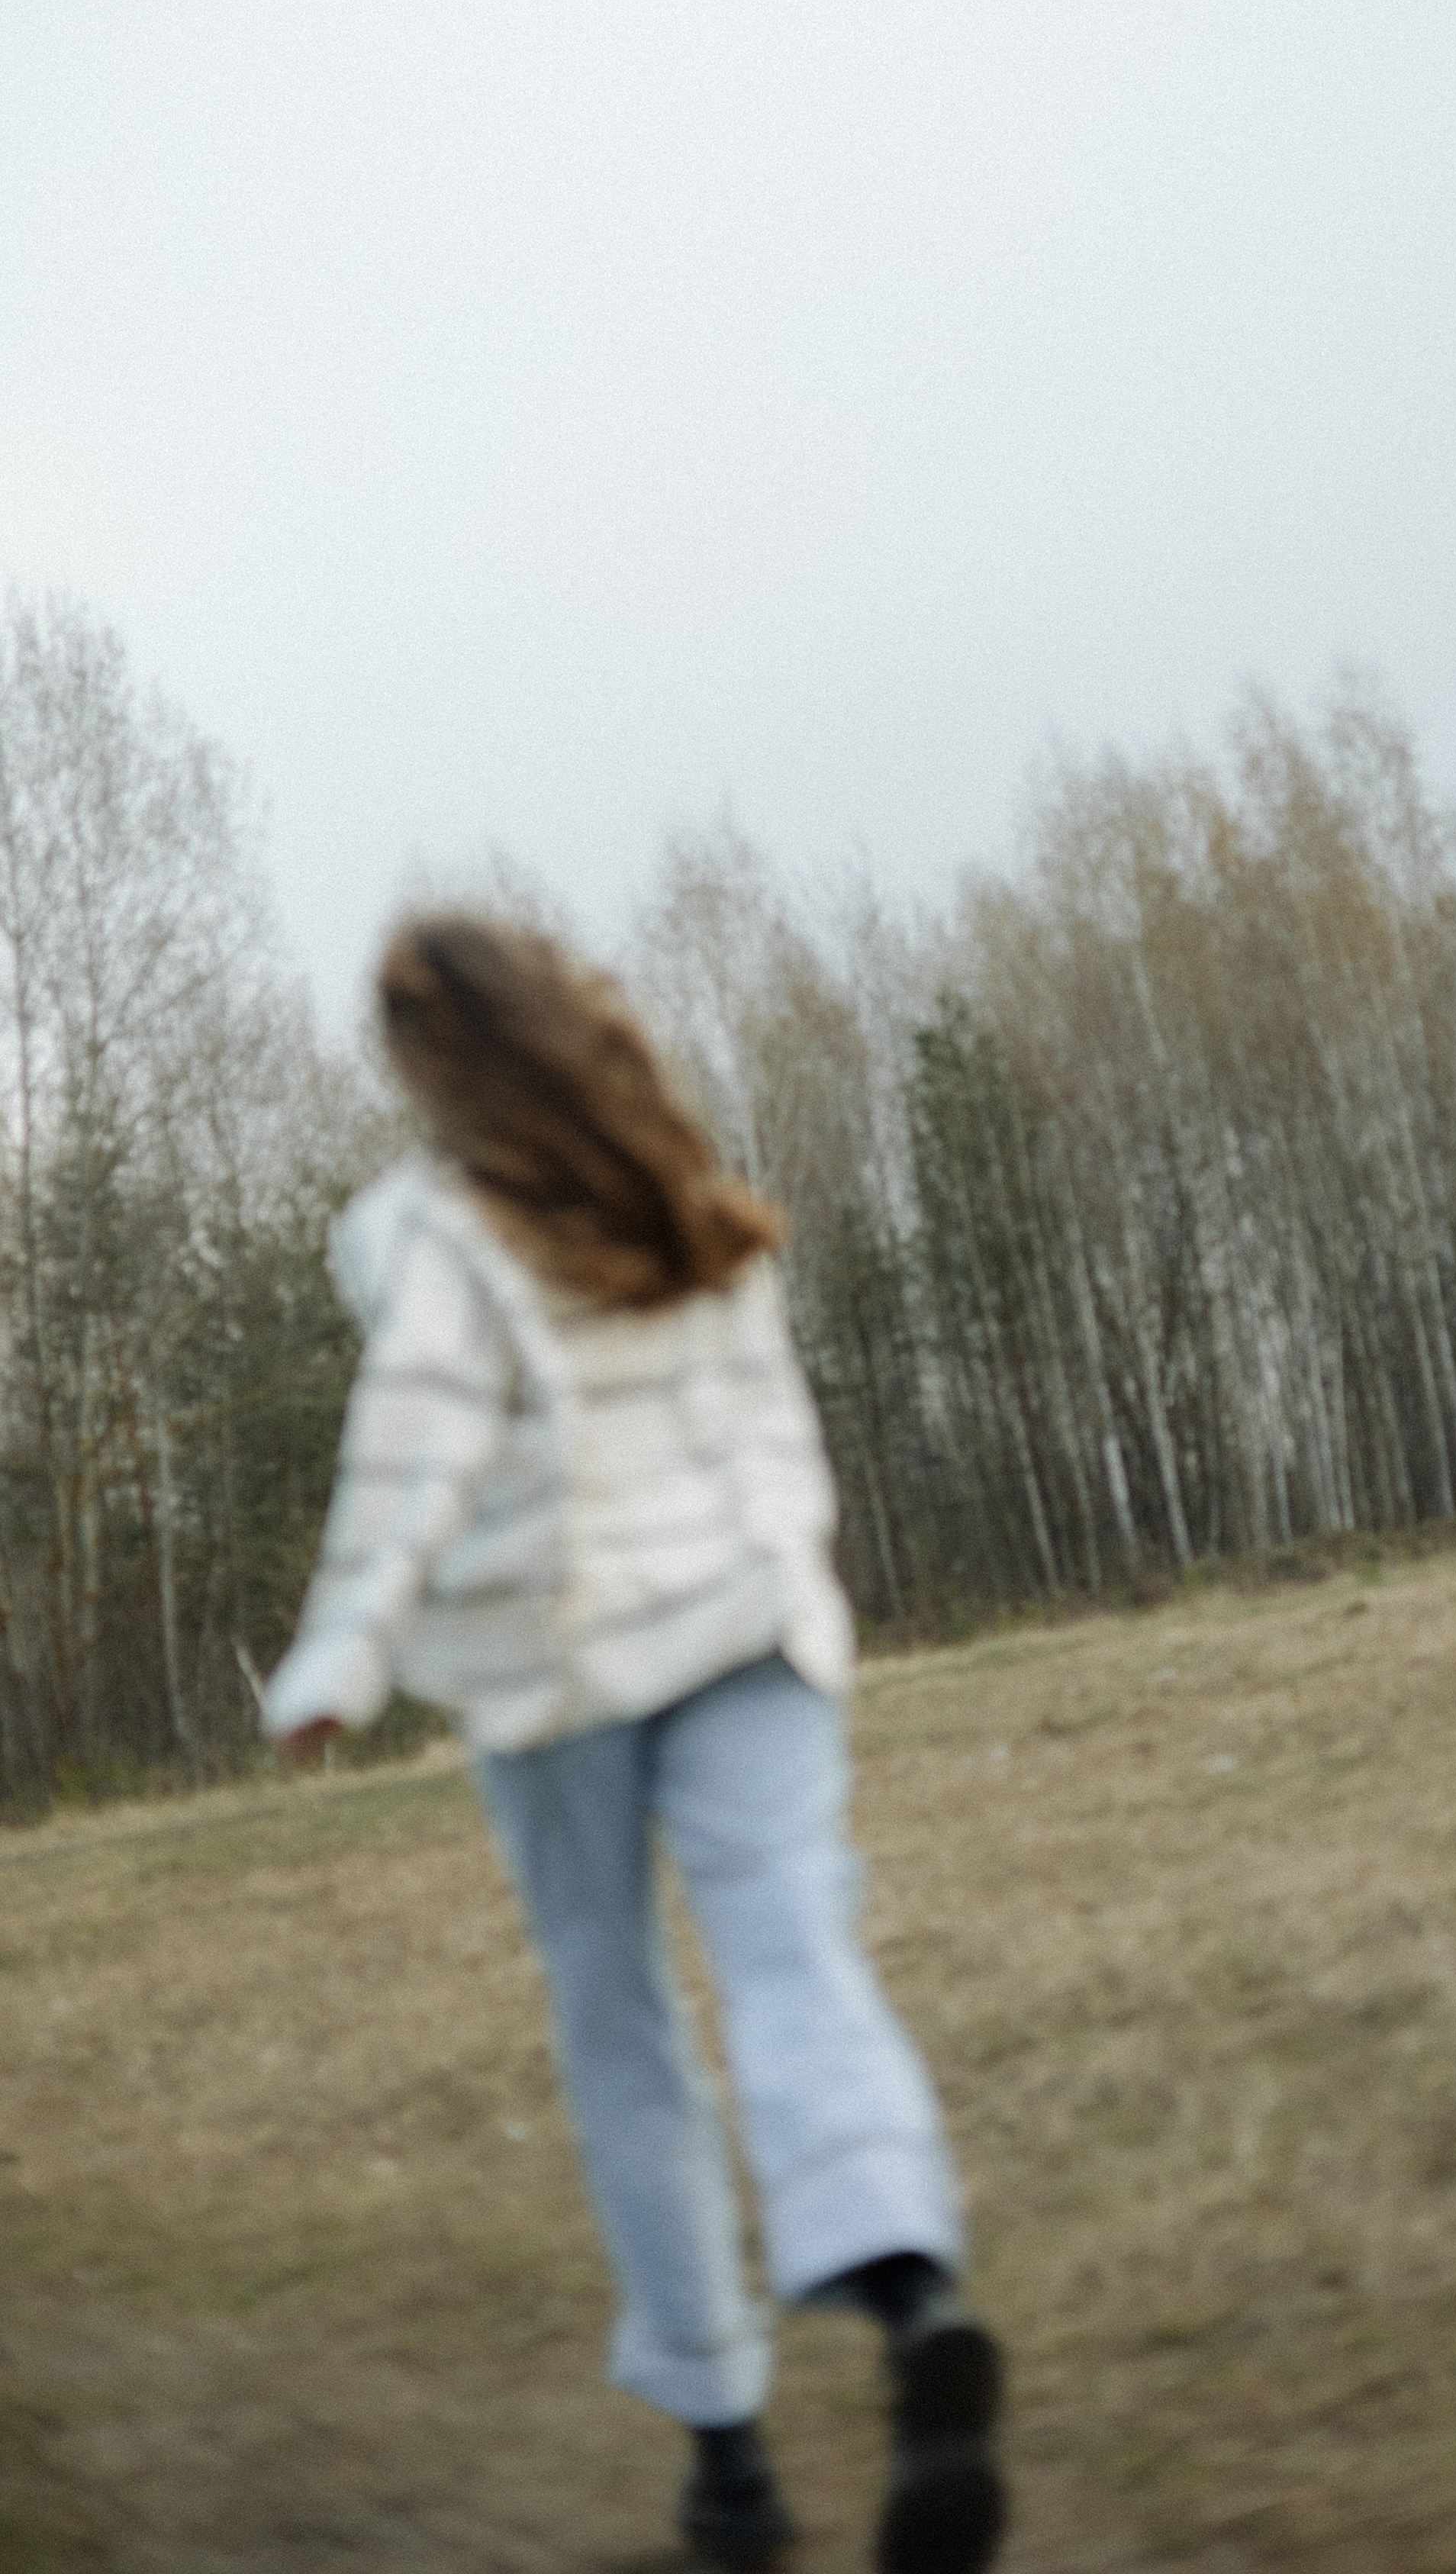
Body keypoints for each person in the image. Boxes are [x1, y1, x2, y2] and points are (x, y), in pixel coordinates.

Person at [263, 915, 1006, 2574]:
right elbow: (768, 1422)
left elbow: (413, 1453)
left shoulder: (439, 1237)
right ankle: (908, 2296)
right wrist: (781, 1578)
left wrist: (342, 1653)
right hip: (752, 1631)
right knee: (796, 1959)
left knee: (623, 2028)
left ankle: (732, 2470)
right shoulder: (687, 1188)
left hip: (558, 1672)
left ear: (434, 1065)